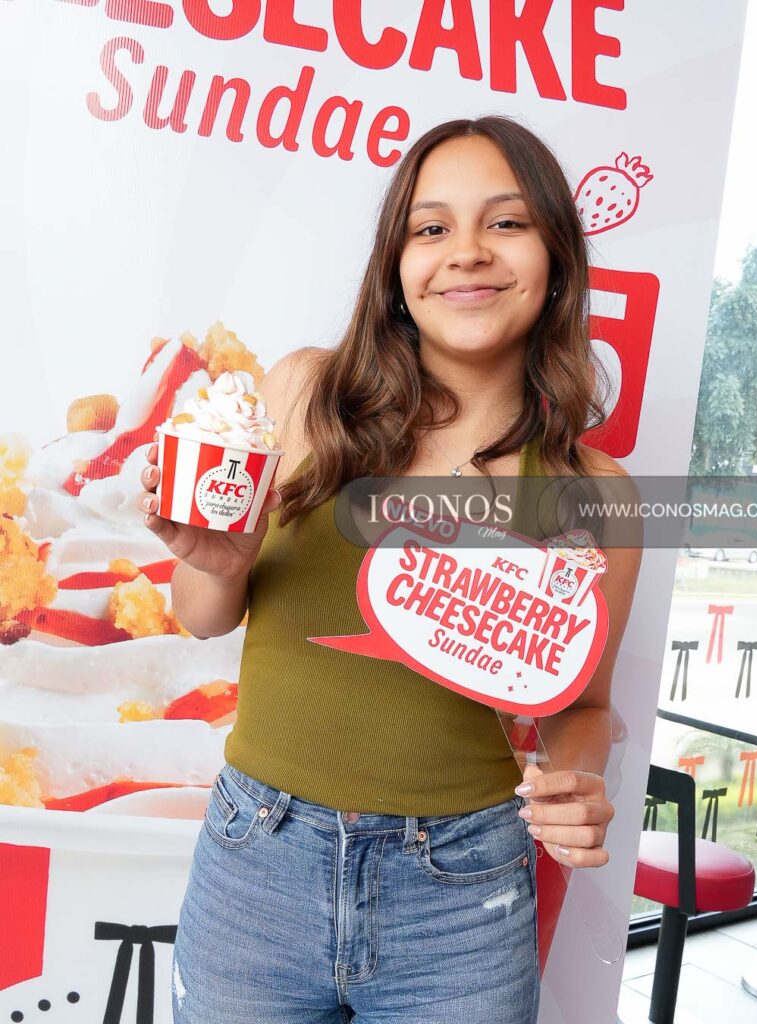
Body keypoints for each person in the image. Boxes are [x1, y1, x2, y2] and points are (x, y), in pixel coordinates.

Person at [139, 115, 642, 1024]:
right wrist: (220, 563)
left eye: (507, 222)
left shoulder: (590, 493)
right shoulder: (303, 393)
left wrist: (572, 780)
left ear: (557, 258)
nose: (467, 253)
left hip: (461, 893)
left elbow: (585, 704)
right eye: (431, 227)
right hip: (259, 862)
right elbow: (205, 617)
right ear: (396, 267)